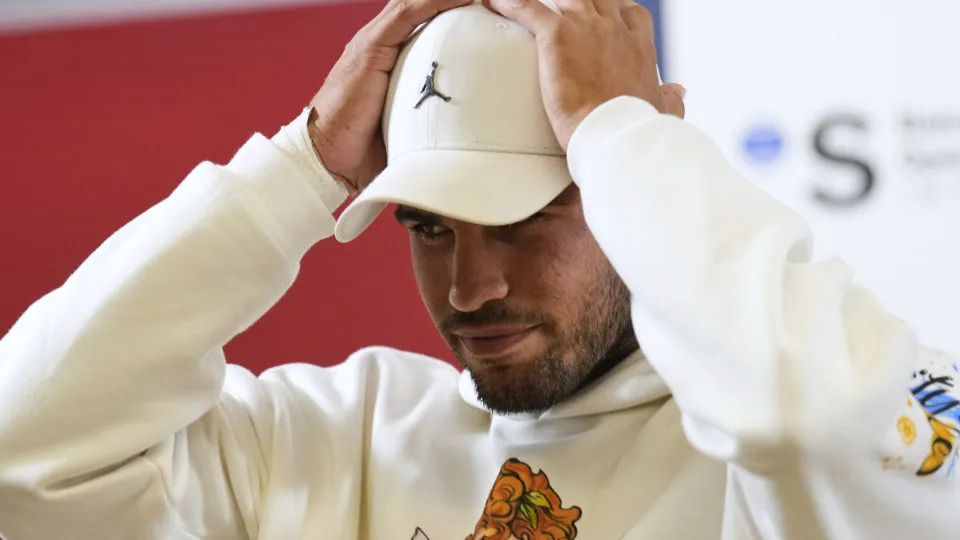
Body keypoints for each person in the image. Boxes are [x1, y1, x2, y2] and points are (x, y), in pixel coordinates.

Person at [0, 0, 957, 537]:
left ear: (638, 183)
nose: (469, 289)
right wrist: (299, 167)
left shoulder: (842, 416)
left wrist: (625, 137)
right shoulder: (335, 438)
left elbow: (804, 421)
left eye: (526, 218)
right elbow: (21, 448)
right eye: (428, 228)